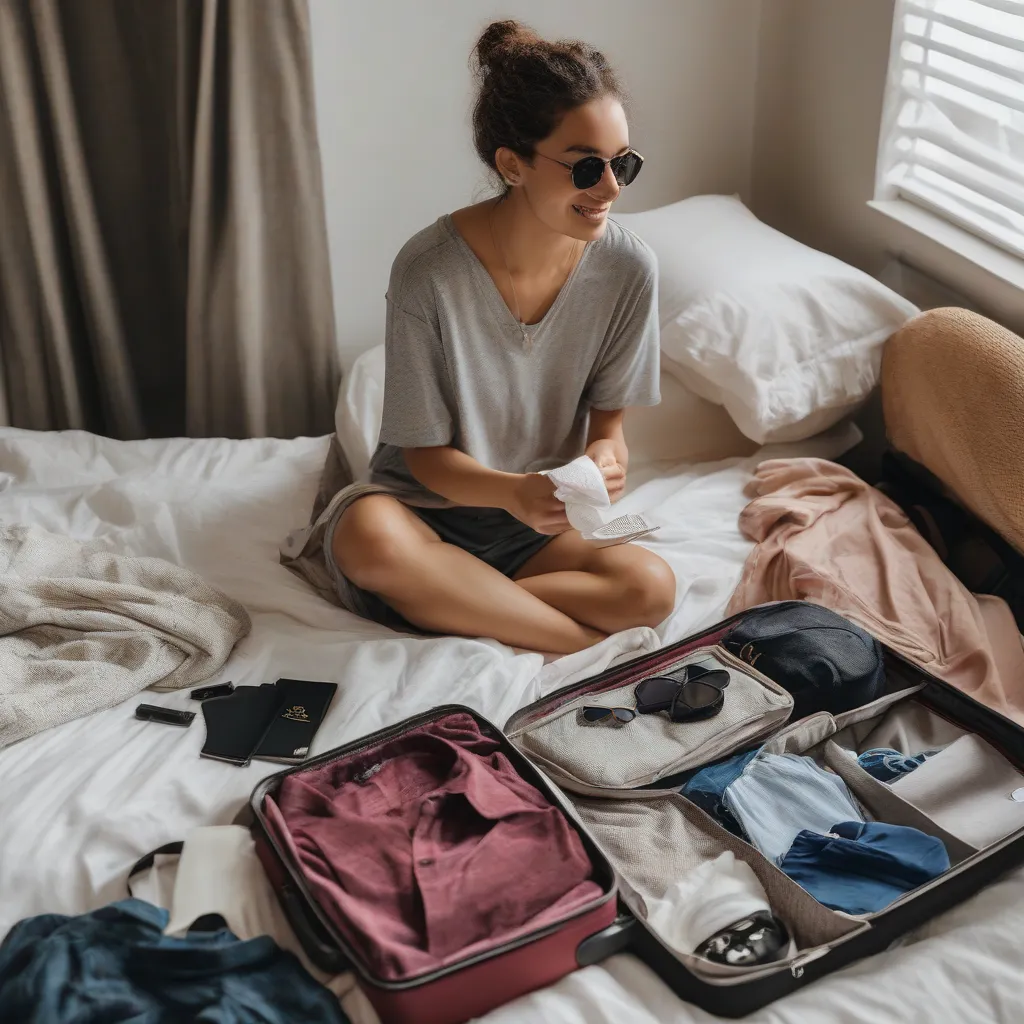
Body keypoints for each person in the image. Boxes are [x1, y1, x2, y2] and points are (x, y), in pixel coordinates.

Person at [328, 20, 675, 654]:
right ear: (511, 165)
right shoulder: (428, 270)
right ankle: (574, 648)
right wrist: (512, 492)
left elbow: (610, 427)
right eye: (587, 167)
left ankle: (445, 597)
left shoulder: (630, 270)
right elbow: (424, 459)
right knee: (366, 537)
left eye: (623, 162)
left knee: (650, 588)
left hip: (540, 526)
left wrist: (604, 460)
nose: (611, 189)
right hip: (424, 511)